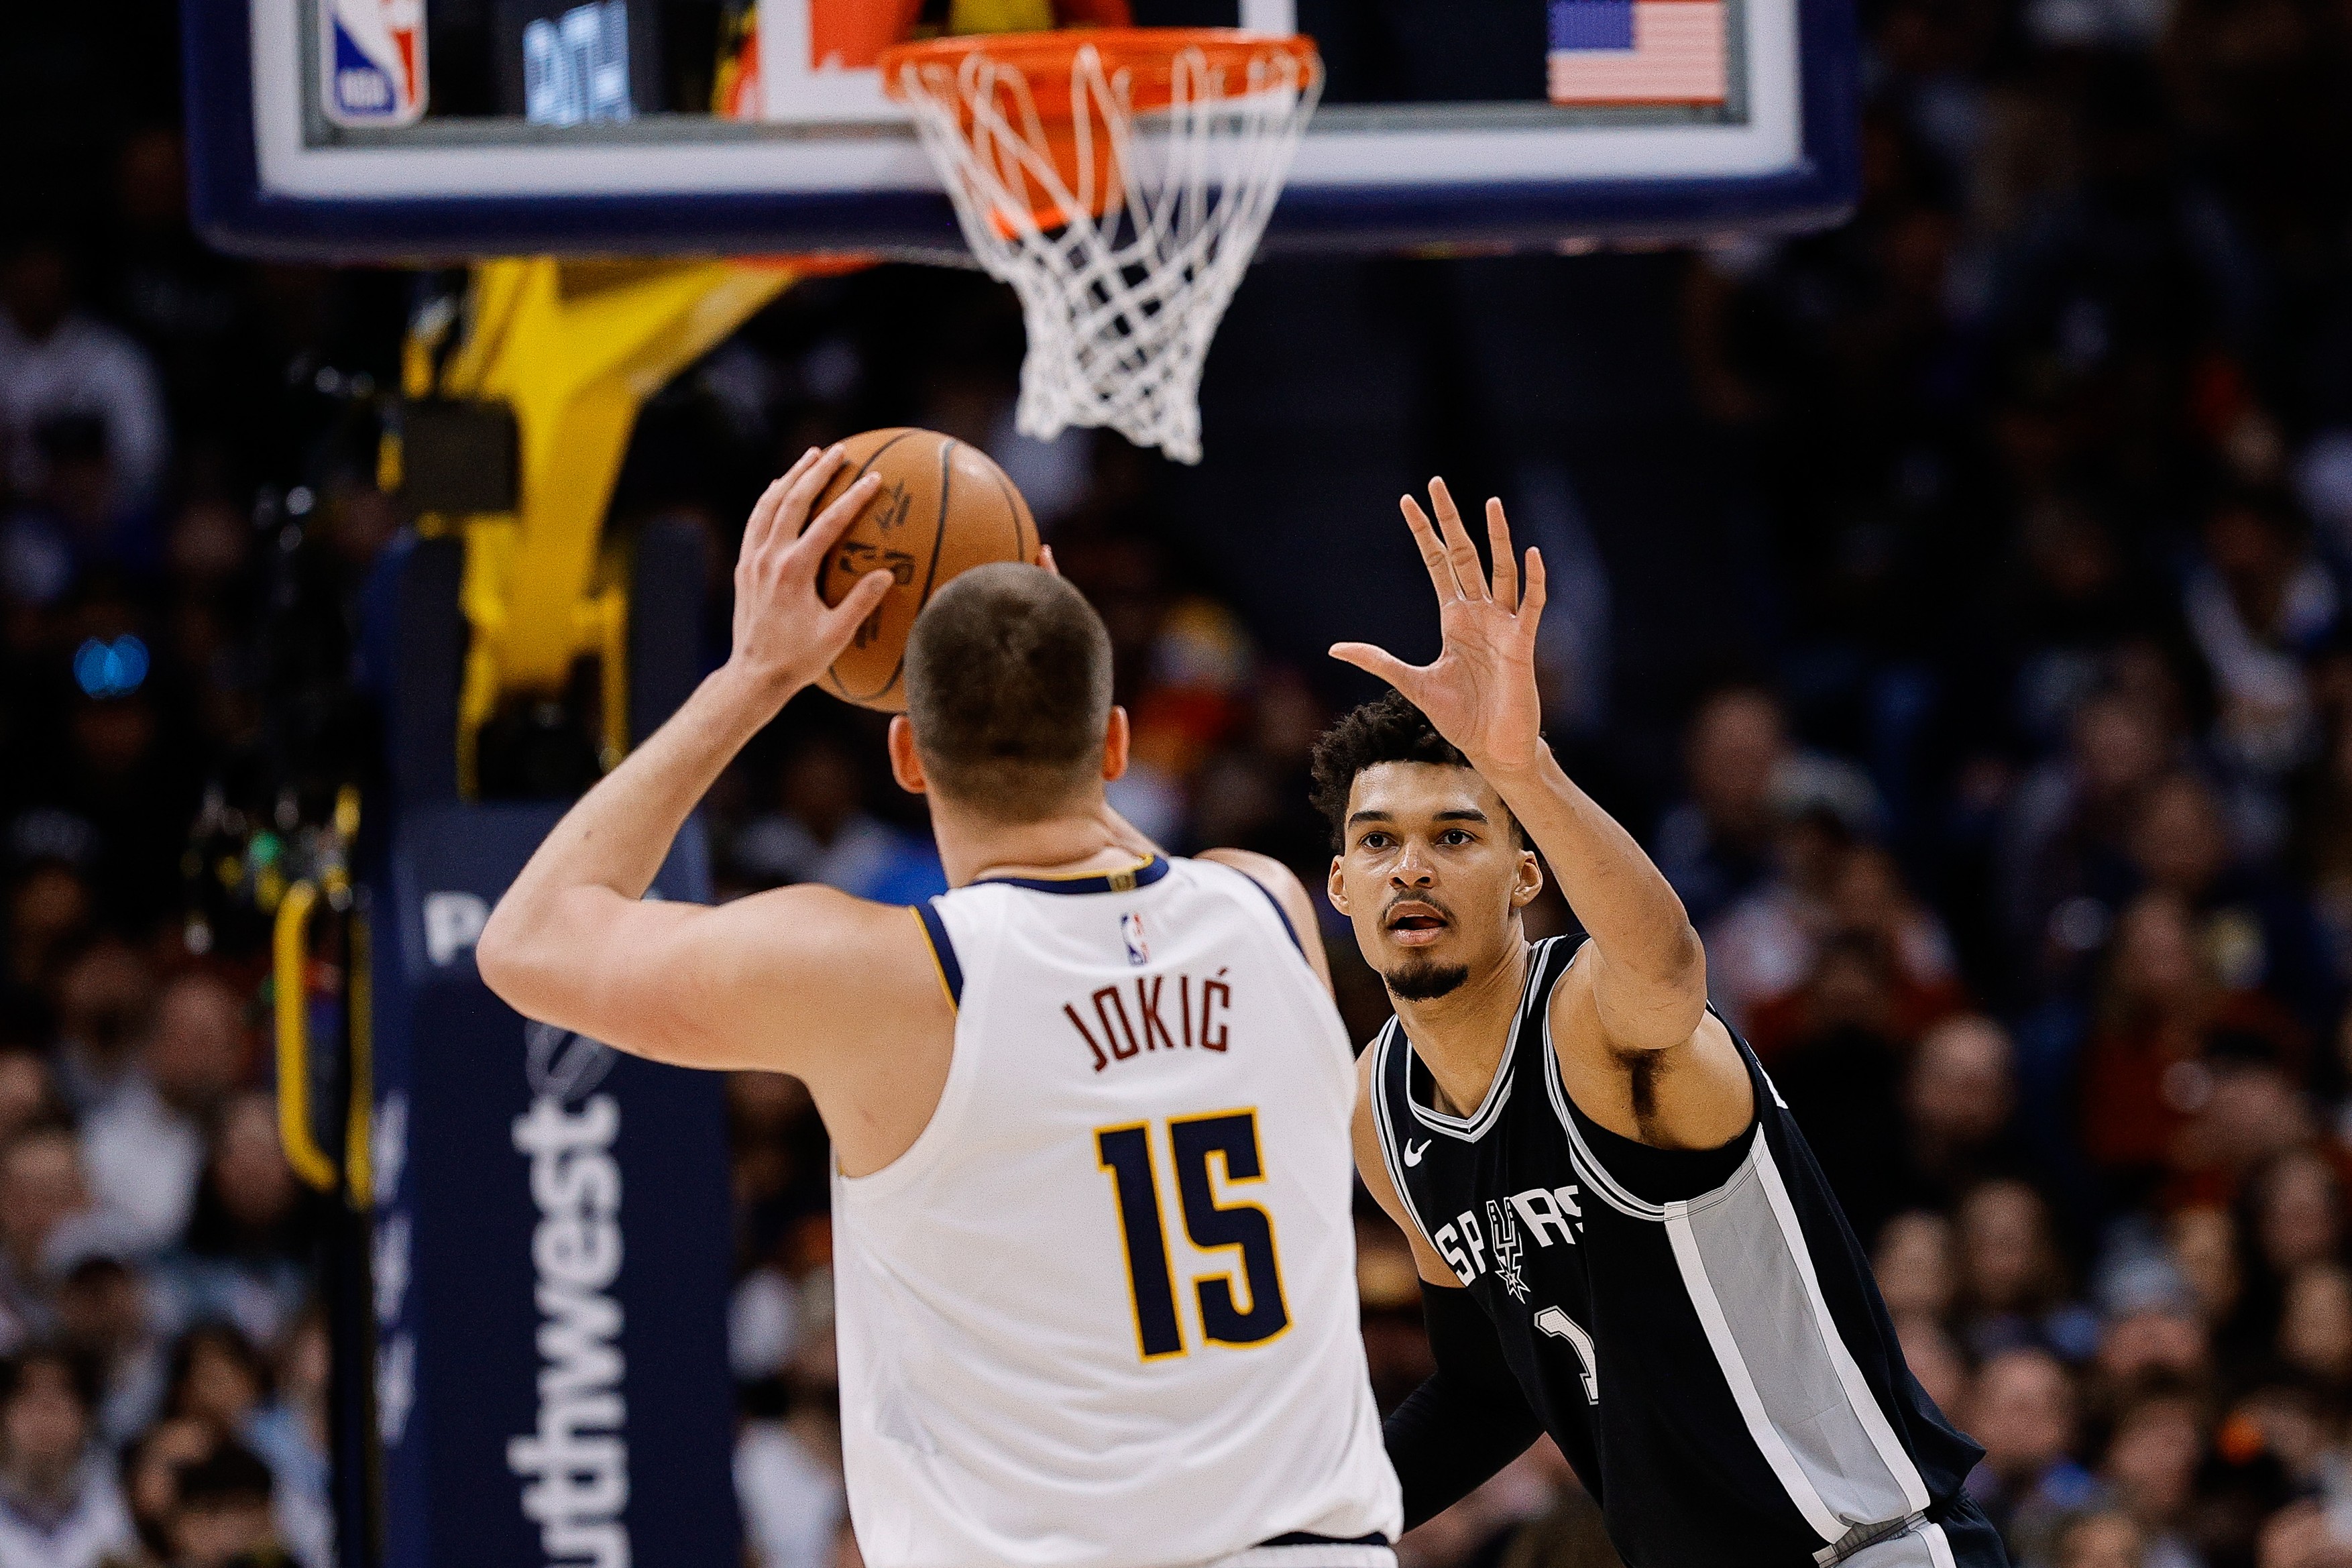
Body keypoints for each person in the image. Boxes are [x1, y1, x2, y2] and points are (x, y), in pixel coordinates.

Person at [478, 445, 1399, 1568]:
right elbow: (1120, 883)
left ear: (909, 757)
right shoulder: (1267, 909)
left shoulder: (886, 979)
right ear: (1113, 741)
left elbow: (530, 938)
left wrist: (754, 676)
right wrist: (1038, 625)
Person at [1320, 478, 2004, 1568]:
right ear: (1344, 886)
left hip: (1860, 1552)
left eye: (1456, 834)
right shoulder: (1379, 1103)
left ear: (1523, 874)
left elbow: (1667, 963)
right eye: (1377, 840)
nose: (1411, 864)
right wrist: (1312, 1520)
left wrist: (1520, 766)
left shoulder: (1592, 1014)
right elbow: (1488, 1386)